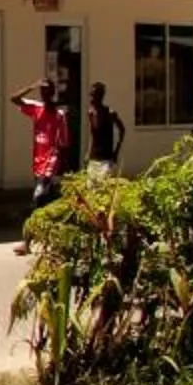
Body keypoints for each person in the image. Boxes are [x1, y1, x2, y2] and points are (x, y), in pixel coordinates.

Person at [12, 78, 69, 255]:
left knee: (37, 200)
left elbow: (64, 143)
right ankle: (58, 239)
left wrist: (60, 168)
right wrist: (31, 86)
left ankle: (27, 242)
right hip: (37, 162)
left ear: (52, 93)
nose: (43, 93)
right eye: (41, 90)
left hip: (49, 163)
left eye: (46, 90)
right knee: (47, 203)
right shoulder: (37, 108)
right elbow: (14, 98)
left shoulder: (59, 115)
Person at [83, 81, 126, 178]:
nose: (91, 99)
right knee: (91, 188)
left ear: (100, 96)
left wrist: (116, 151)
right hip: (94, 158)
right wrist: (88, 153)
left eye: (94, 95)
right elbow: (92, 134)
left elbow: (122, 130)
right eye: (91, 95)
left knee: (103, 187)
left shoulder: (110, 113)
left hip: (106, 158)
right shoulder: (91, 113)